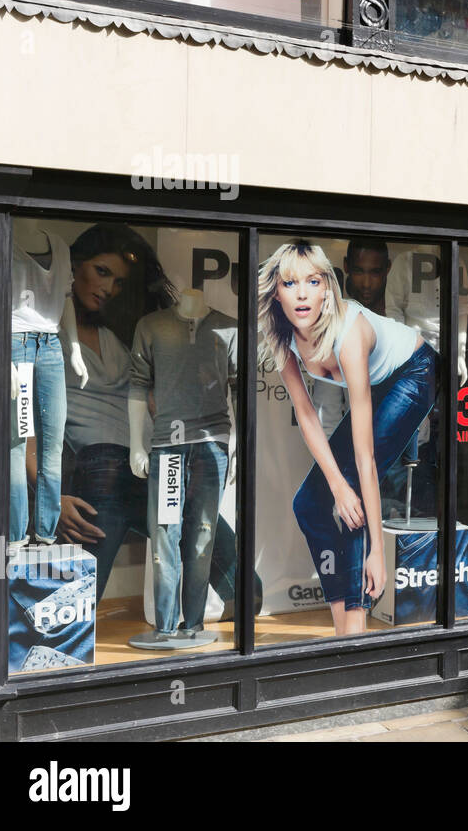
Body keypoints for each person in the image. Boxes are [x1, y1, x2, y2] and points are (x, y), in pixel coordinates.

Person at [54, 224, 255, 615]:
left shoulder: (122, 332)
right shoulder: (46, 335)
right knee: (67, 620)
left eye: (118, 280)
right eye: (101, 271)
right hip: (101, 471)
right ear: (74, 266)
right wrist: (51, 498)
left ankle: (197, 655)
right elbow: (21, 424)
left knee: (248, 592)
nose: (108, 287)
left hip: (158, 462)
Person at [258, 240, 437, 636]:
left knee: (352, 494)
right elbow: (306, 415)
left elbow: (364, 456)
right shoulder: (281, 336)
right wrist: (333, 484)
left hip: (415, 371)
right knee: (309, 503)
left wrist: (377, 549)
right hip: (382, 378)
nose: (302, 293)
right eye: (290, 283)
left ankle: (354, 638)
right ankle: (343, 625)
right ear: (276, 292)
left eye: (313, 281)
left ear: (328, 288)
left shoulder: (348, 332)